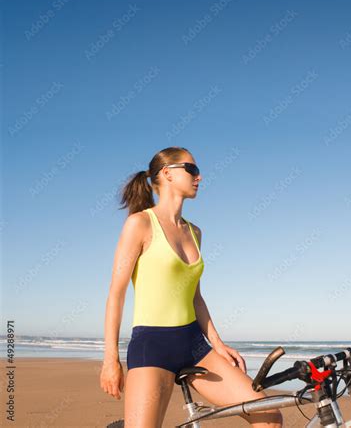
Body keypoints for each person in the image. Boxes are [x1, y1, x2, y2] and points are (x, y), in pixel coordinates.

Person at [100, 146, 283, 427]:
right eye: (192, 169)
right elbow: (116, 294)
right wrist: (110, 360)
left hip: (196, 345)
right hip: (152, 347)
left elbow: (195, 297)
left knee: (268, 415)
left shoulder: (195, 232)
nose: (199, 177)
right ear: (167, 173)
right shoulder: (140, 224)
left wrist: (218, 343)